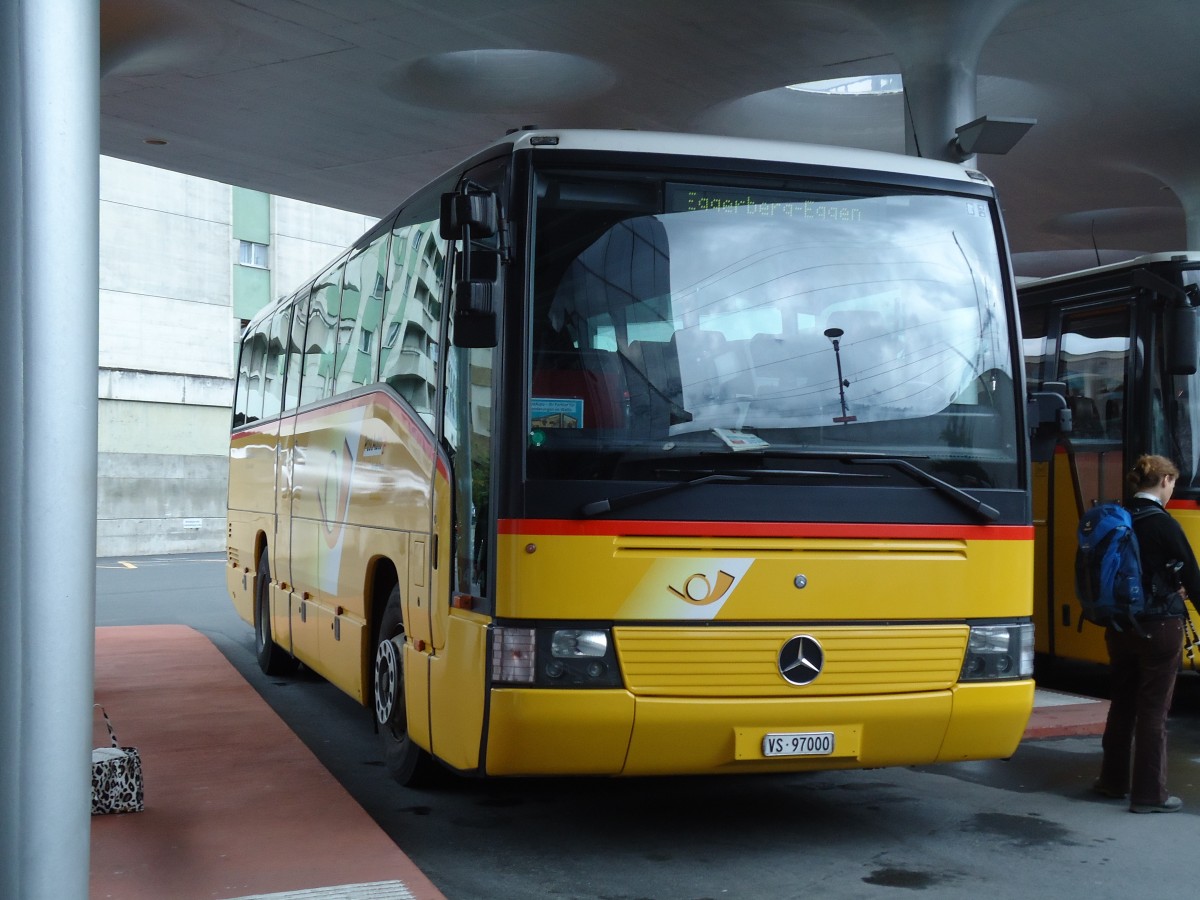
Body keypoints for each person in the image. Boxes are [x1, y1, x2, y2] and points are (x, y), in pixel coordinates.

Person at [1093, 454, 1197, 813]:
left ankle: (1112, 781)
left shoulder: (1117, 518)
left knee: (1122, 703)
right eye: (1173, 485)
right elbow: (1193, 577)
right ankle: (1150, 794)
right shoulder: (1163, 524)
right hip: (1159, 627)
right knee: (1154, 711)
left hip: (1119, 626)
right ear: (1165, 481)